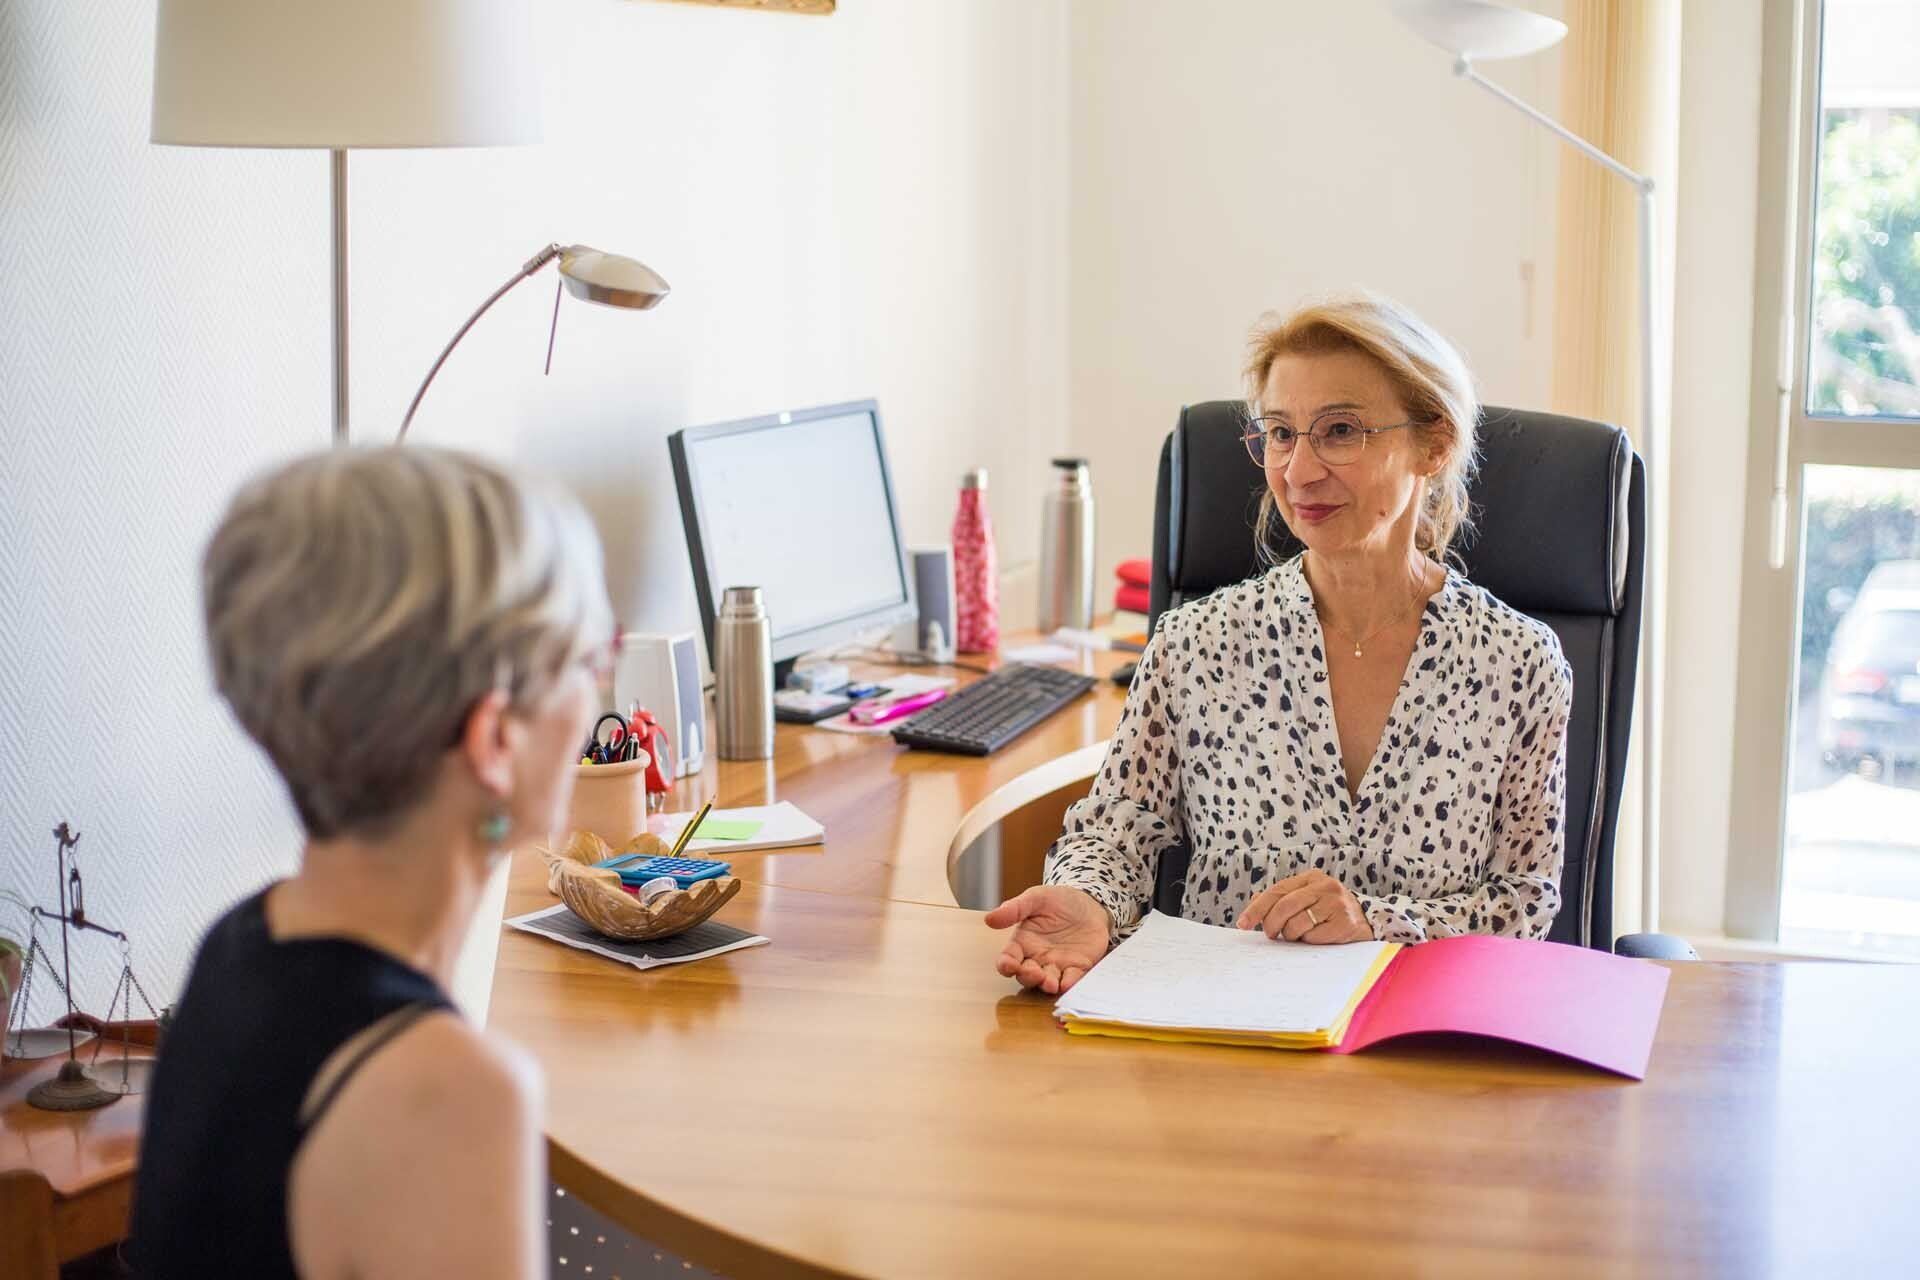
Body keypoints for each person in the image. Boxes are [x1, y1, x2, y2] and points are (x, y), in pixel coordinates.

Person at [987, 293, 1574, 993]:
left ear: (1434, 444)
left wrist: (1374, 921)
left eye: (1341, 431)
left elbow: (1524, 903)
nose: (1298, 472)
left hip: (1417, 1027)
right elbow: (1114, 831)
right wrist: (1087, 898)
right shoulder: (1196, 644)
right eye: (1280, 433)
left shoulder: (1519, 663)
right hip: (1222, 1021)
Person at [134, 447, 613, 1279]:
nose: (598, 694)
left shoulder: (239, 944)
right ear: (494, 739)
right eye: (585, 663)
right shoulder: (448, 1093)